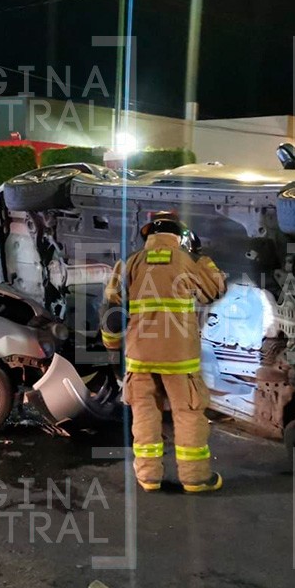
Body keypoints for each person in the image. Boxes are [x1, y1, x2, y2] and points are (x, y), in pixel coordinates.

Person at [101, 211, 227, 493]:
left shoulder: (129, 263)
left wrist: (112, 347)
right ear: (179, 236)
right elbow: (215, 290)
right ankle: (195, 479)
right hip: (179, 358)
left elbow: (111, 311)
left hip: (139, 356)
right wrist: (201, 256)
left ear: (148, 235)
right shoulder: (188, 261)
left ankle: (148, 477)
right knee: (188, 414)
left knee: (145, 415)